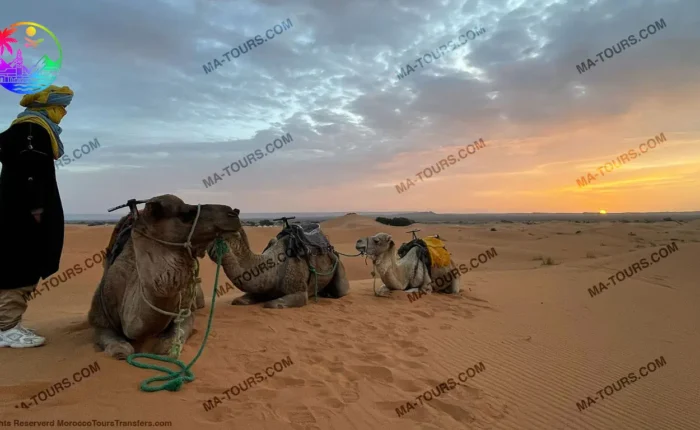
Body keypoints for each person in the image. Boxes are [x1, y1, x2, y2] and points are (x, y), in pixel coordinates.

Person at [0, 85, 73, 348]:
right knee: (21, 266)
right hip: (26, 216)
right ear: (47, 107)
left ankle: (9, 324)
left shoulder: (26, 129)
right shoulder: (32, 130)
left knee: (18, 264)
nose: (63, 113)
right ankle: (6, 329)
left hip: (18, 212)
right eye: (61, 107)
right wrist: (37, 210)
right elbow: (30, 175)